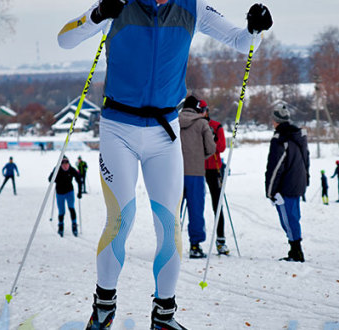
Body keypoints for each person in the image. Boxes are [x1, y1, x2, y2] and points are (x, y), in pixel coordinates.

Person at [58, 0, 272, 328]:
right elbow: (65, 39)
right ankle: (103, 307)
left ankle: (164, 317)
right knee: (121, 218)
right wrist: (98, 14)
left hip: (165, 133)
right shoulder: (120, 4)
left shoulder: (192, 8)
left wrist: (255, 28)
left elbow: (243, 42)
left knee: (169, 227)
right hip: (119, 129)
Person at [265, 104, 309, 263]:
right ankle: (295, 248)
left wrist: (270, 191)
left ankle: (296, 251)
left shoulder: (280, 140)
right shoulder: (298, 136)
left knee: (288, 219)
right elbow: (306, 160)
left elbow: (275, 168)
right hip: (298, 183)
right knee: (294, 217)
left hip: (285, 187)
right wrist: (306, 181)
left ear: (276, 121)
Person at [179, 96, 216, 258]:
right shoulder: (202, 123)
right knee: (196, 210)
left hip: (175, 173)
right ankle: (195, 245)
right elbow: (211, 148)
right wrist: (199, 157)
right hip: (195, 172)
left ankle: (169, 243)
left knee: (173, 210)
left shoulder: (172, 122)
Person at [203, 101, 229, 256]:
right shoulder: (194, 126)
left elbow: (221, 147)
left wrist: (210, 141)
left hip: (214, 168)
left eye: (204, 110)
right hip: (197, 168)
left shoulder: (216, 126)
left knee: (217, 204)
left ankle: (221, 240)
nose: (202, 113)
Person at [49, 156, 83, 237]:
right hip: (60, 193)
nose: (65, 165)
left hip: (69, 192)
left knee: (71, 208)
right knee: (62, 211)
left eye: (66, 163)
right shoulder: (57, 169)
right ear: (60, 164)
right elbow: (50, 179)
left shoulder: (71, 169)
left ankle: (74, 226)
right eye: (63, 163)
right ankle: (61, 226)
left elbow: (79, 179)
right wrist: (54, 173)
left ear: (69, 163)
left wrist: (80, 192)